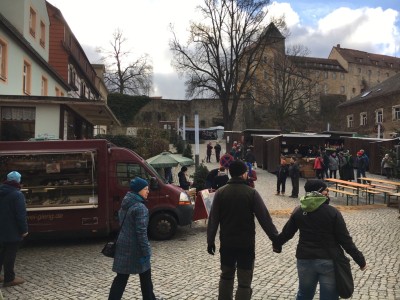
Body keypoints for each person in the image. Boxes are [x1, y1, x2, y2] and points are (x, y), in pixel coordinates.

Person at [274, 179, 367, 300]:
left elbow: (287, 233)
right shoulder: (332, 212)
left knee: (304, 295)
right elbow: (345, 240)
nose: (327, 192)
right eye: (325, 190)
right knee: (329, 297)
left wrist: (277, 244)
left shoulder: (299, 210)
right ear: (318, 192)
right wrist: (360, 260)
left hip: (305, 259)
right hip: (328, 259)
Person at [207, 160, 279, 300]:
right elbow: (264, 219)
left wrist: (210, 241)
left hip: (227, 243)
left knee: (226, 276)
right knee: (244, 282)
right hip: (246, 243)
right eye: (246, 171)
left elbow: (213, 219)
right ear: (242, 174)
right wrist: (275, 238)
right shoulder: (251, 193)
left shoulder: (220, 193)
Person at [108, 177, 163, 300]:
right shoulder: (140, 208)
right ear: (138, 190)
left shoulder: (125, 203)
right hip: (136, 248)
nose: (148, 191)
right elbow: (141, 233)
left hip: (123, 245)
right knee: (145, 275)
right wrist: (146, 251)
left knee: (121, 278)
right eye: (145, 189)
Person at [0, 171, 28, 287]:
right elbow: (20, 215)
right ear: (18, 181)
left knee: (0, 253)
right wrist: (24, 230)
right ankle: (9, 278)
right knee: (10, 254)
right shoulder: (17, 195)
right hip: (12, 230)